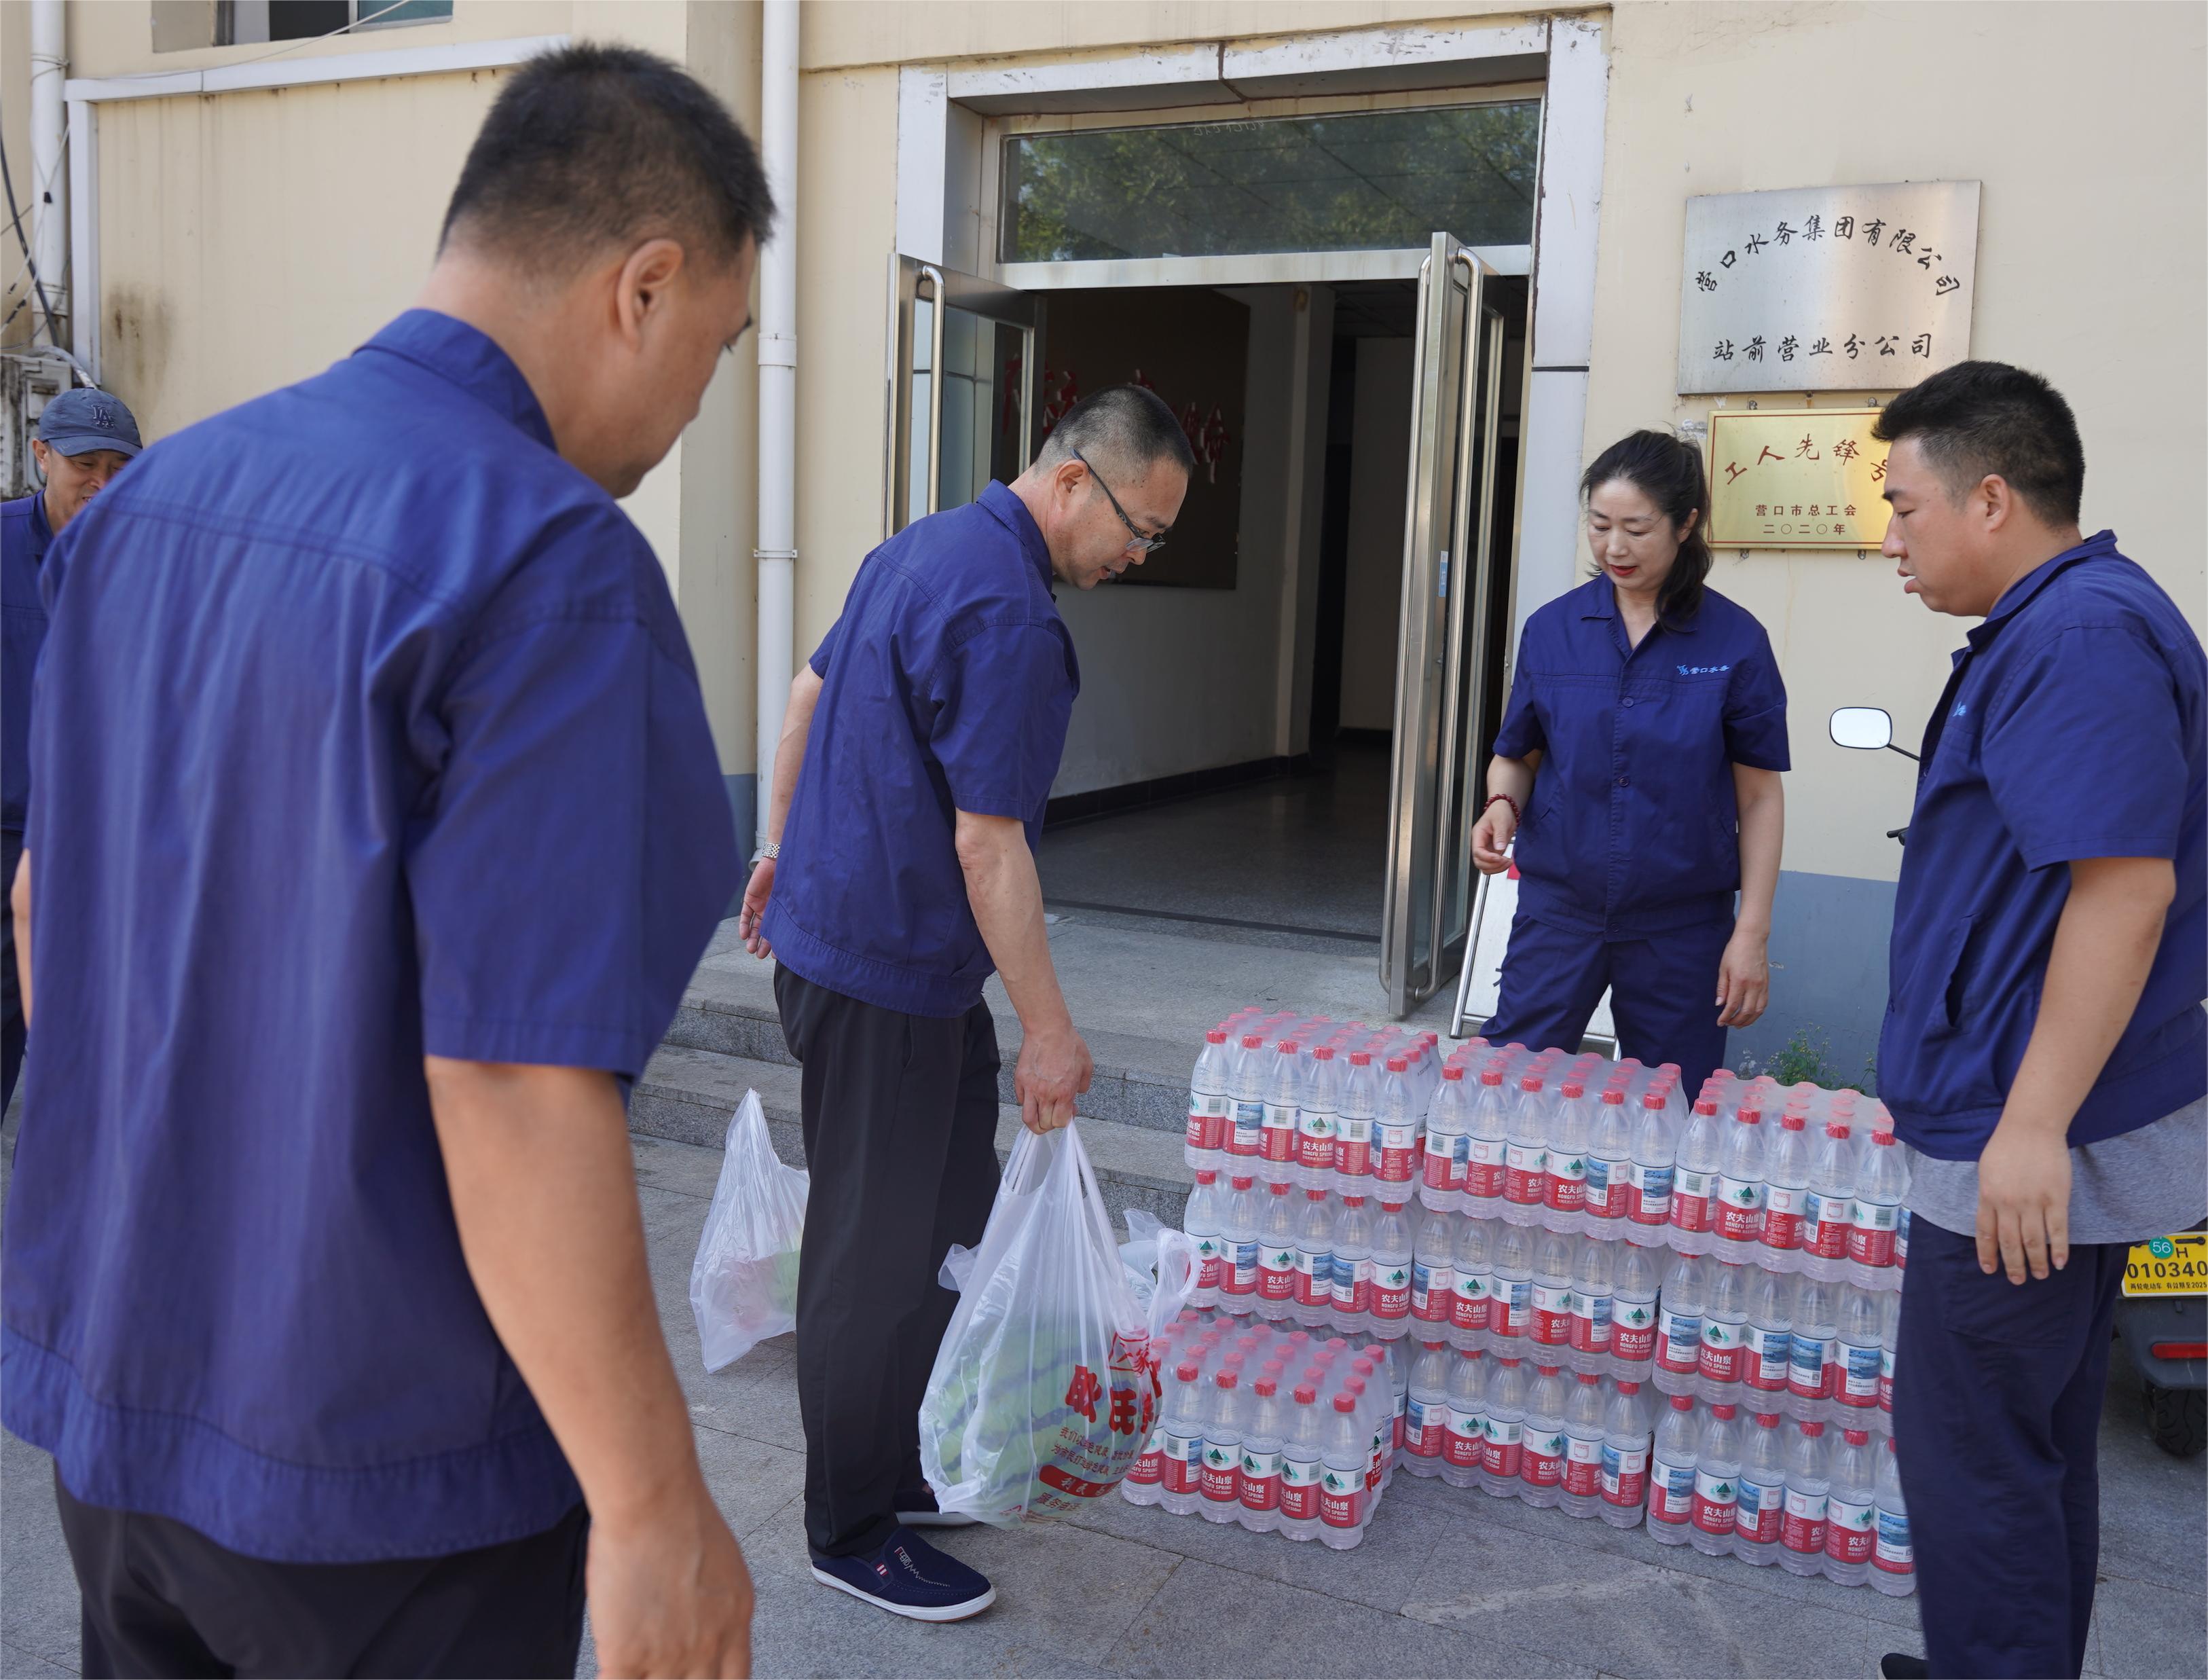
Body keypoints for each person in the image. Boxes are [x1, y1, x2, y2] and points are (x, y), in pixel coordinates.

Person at [4, 46, 769, 1679]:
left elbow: (41, 909)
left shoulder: (145, 508)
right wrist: (652, 1507)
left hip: (121, 1420)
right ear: (643, 287)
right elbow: (512, 1077)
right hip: (384, 1488)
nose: (697, 405)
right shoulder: (549, 563)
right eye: (715, 351)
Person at [738, 386, 1192, 1620]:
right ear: (1073, 480)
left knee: (941, 1219)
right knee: (867, 1254)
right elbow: (988, 843)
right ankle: (848, 1526)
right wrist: (1049, 1027)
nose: (1139, 557)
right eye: (1140, 530)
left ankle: (899, 1464)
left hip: (883, 963)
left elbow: (806, 695)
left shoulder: (921, 546)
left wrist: (777, 845)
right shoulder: (1008, 614)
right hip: (881, 975)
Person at [1866, 362, 2205, 1680]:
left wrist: (2029, 1126)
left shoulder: (2077, 637)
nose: (1890, 539)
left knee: (1974, 1460)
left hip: (2023, 1129)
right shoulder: (2062, 622)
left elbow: (2124, 892)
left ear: (1992, 497)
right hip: (2023, 1107)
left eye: (1904, 507)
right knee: (2025, 1446)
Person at [1470, 429, 1788, 1087]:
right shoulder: (1551, 630)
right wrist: (1501, 803)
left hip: (1681, 924)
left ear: (1686, 524)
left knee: (1672, 1098)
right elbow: (1517, 755)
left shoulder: (1736, 641)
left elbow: (1759, 795)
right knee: (1513, 1082)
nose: (1614, 547)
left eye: (1637, 529)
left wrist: (1751, 932)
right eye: (1599, 525)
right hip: (1559, 910)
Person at [1, 387, 142, 1114]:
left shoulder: (152, 562)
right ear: (41, 455)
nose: (101, 484)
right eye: (86, 464)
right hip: (7, 843)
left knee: (86, 1075)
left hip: (105, 855)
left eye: (120, 469)